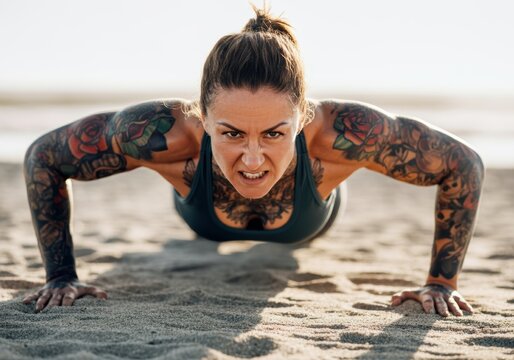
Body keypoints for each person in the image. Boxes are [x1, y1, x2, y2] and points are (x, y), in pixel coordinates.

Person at [22, 5, 484, 317]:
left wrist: (440, 283)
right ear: (201, 119)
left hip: (309, 221)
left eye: (275, 133)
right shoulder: (160, 134)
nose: (252, 158)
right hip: (200, 217)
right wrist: (62, 275)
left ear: (302, 118)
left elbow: (462, 164)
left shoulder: (343, 134)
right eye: (230, 133)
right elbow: (44, 156)